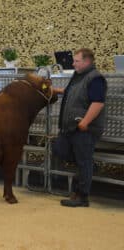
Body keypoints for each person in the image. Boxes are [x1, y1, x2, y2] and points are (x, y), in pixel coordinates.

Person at [52, 48, 107, 207]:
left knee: (83, 161)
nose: (73, 63)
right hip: (70, 128)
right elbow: (70, 92)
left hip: (84, 129)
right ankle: (90, 167)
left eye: (76, 60)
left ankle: (82, 197)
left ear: (87, 61)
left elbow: (98, 102)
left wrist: (85, 122)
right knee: (59, 149)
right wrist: (56, 90)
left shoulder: (95, 78)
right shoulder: (78, 76)